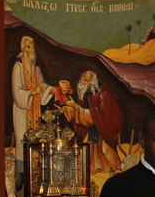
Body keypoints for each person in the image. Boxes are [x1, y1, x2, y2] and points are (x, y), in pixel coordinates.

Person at [62, 70, 123, 174]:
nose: (81, 81)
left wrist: (75, 107)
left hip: (103, 129)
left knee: (105, 149)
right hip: (92, 128)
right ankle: (96, 167)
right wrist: (68, 108)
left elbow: (104, 115)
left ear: (92, 82)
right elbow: (80, 108)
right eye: (81, 78)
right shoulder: (86, 93)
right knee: (90, 147)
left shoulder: (104, 94)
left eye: (85, 80)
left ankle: (116, 169)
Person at [11, 36, 53, 173]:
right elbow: (16, 92)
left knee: (37, 137)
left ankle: (36, 171)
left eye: (33, 47)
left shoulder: (35, 67)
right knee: (22, 140)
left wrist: (52, 90)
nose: (32, 50)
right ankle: (22, 173)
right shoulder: (18, 66)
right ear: (23, 48)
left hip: (35, 107)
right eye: (29, 47)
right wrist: (31, 92)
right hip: (22, 110)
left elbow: (41, 84)